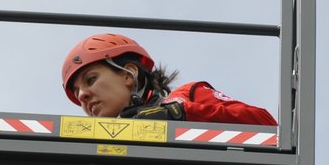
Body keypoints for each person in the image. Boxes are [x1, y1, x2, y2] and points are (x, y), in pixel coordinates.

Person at [61, 33, 278, 124]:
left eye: (90, 80)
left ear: (128, 75)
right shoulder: (89, 149)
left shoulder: (187, 96)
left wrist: (179, 115)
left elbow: (266, 126)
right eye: (78, 93)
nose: (83, 95)